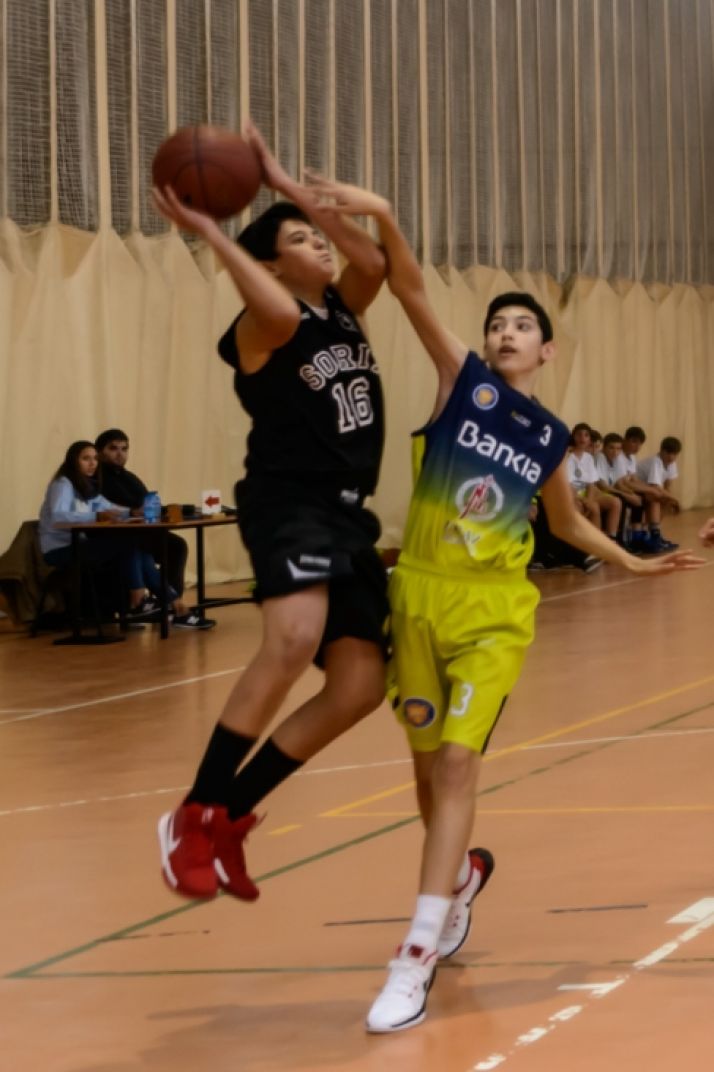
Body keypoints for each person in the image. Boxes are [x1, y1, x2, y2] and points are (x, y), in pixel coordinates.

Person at [303, 176, 704, 1034]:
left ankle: (412, 956)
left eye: (522, 326)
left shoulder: (552, 437)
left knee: (456, 765)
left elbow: (563, 522)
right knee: (425, 774)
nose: (505, 333)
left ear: (548, 351)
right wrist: (381, 215)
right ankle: (457, 884)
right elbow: (407, 287)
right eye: (497, 323)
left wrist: (633, 568)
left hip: (494, 610)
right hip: (416, 597)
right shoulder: (462, 384)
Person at [151, 122, 389, 903]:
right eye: (299, 238)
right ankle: (192, 813)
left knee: (358, 687)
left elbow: (373, 262)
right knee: (292, 638)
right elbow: (275, 308)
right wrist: (214, 234)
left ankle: (234, 817)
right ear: (267, 260)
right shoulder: (266, 324)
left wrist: (295, 192)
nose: (321, 245)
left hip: (352, 516)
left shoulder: (342, 309)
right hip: (291, 504)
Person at [95, 428, 215, 630]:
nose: (120, 453)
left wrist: (181, 509)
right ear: (100, 452)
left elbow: (147, 504)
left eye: (124, 449)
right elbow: (120, 510)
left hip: (141, 532)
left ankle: (169, 606)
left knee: (176, 545)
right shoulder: (96, 479)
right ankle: (172, 607)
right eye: (113, 448)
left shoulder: (129, 477)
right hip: (118, 537)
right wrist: (135, 511)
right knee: (162, 547)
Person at [38, 440, 165, 616]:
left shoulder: (86, 485)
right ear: (73, 461)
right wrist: (95, 516)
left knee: (136, 544)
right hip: (60, 551)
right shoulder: (62, 484)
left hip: (78, 545)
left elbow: (106, 507)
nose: (92, 464)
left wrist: (131, 513)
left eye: (95, 459)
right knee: (128, 544)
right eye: (85, 459)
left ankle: (166, 599)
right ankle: (140, 601)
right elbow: (59, 517)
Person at [567, 423, 622, 540]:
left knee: (615, 502)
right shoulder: (568, 456)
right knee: (594, 508)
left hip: (585, 492)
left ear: (589, 439)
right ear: (574, 437)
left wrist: (589, 500)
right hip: (571, 493)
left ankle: (611, 539)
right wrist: (584, 501)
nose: (582, 438)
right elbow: (568, 485)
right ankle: (593, 545)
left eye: (586, 435)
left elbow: (591, 483)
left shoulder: (588, 458)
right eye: (579, 435)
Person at [634, 436, 682, 552]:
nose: (671, 457)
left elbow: (667, 486)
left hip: (648, 489)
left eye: (674, 454)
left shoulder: (671, 464)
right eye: (668, 453)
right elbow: (655, 487)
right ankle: (654, 536)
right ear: (661, 451)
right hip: (635, 488)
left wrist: (672, 500)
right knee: (656, 498)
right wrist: (676, 499)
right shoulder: (656, 462)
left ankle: (655, 533)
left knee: (666, 500)